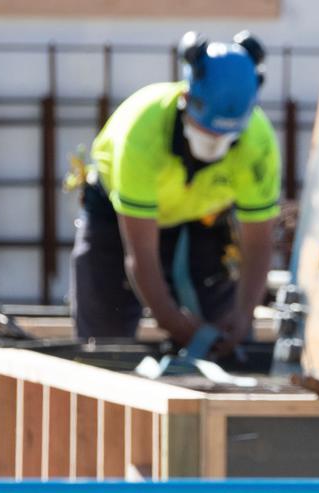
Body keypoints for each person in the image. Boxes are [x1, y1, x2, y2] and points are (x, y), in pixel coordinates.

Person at [70, 31, 280, 355]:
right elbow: (139, 254)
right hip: (118, 220)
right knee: (105, 338)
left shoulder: (257, 143)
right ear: (186, 99)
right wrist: (170, 319)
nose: (215, 146)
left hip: (203, 219)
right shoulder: (142, 129)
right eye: (208, 134)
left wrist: (243, 314)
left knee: (223, 327)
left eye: (227, 138)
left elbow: (258, 242)